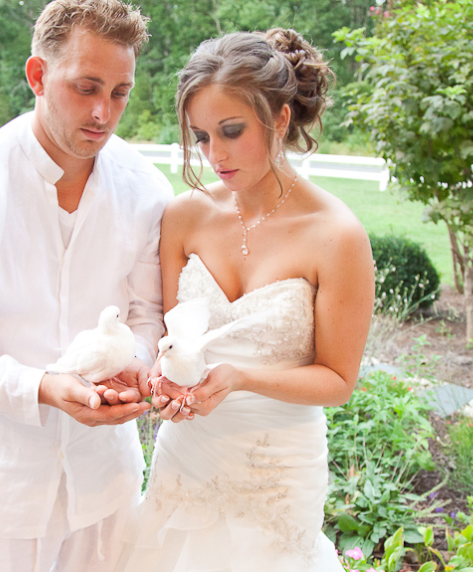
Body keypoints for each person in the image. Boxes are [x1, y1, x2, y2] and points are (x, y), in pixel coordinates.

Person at [0, 1, 173, 570]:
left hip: (106, 486)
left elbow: (148, 315)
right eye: (86, 86)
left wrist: (135, 369)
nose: (103, 112)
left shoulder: (146, 189)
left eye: (120, 92)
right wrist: (41, 387)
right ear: (38, 76)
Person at [117, 29, 374, 571]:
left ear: (280, 119)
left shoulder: (336, 235)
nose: (215, 155)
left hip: (277, 472)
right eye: (202, 137)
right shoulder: (183, 216)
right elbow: (171, 342)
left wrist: (240, 376)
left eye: (231, 132)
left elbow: (338, 381)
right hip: (186, 460)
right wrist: (165, 387)